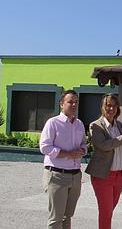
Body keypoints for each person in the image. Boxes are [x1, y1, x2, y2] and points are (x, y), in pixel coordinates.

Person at [85, 94, 122, 229]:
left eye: (114, 105)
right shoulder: (95, 125)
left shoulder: (119, 125)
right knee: (106, 211)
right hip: (103, 175)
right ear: (102, 107)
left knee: (109, 210)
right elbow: (104, 145)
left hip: (119, 175)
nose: (111, 108)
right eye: (108, 105)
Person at [39, 89, 87, 229]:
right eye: (70, 102)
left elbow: (84, 144)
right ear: (61, 104)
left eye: (76, 102)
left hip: (75, 176)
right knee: (56, 219)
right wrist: (67, 154)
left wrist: (82, 150)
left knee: (67, 217)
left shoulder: (79, 124)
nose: (73, 105)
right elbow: (45, 147)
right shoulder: (52, 123)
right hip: (56, 175)